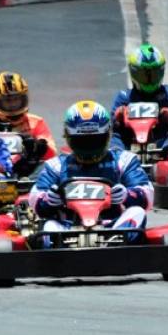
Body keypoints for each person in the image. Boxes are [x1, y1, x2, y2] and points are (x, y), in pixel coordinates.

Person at [29, 100, 153, 234]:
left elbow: (147, 193)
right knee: (49, 226)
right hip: (68, 229)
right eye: (82, 141)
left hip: (112, 226)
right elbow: (35, 198)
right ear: (69, 137)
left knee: (137, 212)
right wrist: (48, 200)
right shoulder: (56, 166)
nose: (88, 146)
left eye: (94, 140)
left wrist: (127, 196)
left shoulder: (124, 160)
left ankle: (114, 245)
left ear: (107, 135)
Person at [110, 43, 168, 150]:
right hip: (129, 146)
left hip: (164, 146)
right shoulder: (124, 97)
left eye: (154, 74)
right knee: (115, 138)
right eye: (144, 75)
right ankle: (118, 156)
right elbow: (109, 124)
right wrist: (118, 116)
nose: (149, 80)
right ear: (134, 73)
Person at [0, 71, 57, 177]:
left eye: (16, 100)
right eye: (8, 101)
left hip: (29, 172)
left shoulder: (36, 122)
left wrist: (37, 147)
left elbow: (52, 154)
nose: (13, 105)